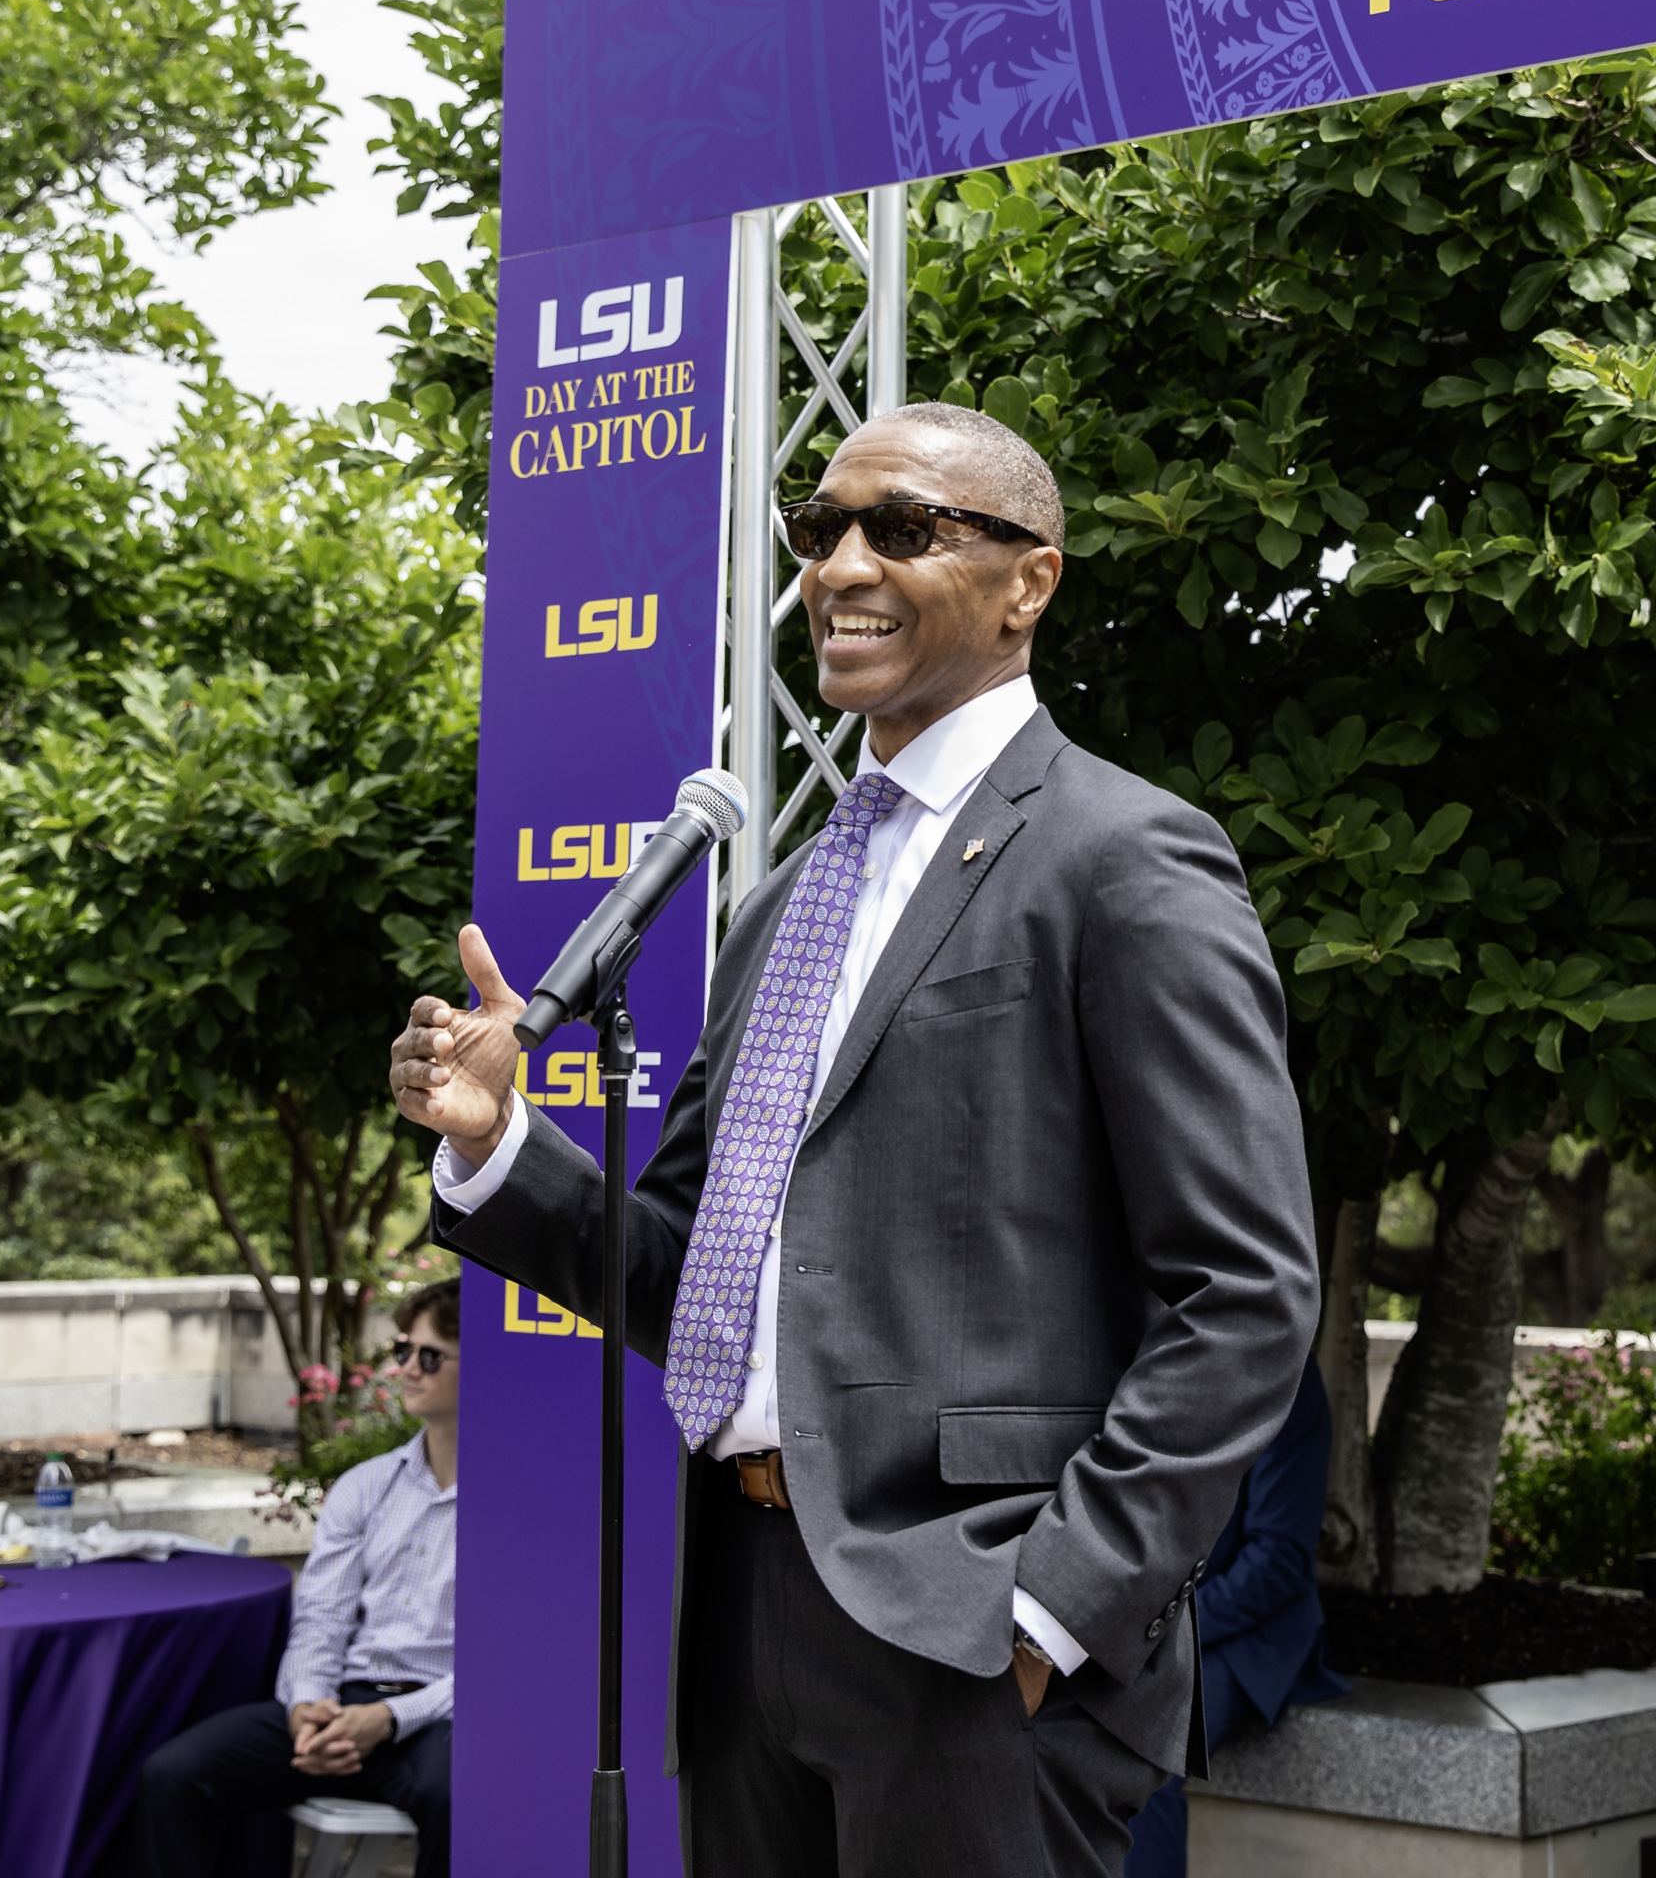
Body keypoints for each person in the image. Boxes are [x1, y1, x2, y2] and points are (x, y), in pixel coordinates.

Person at [390, 401, 1319, 1878]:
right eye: (818, 529)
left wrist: (1048, 1608)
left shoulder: (1124, 855)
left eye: (903, 527)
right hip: (744, 1617)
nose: (840, 567)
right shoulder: (781, 902)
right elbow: (687, 1277)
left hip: (973, 1639)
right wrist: (503, 1142)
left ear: (1031, 584)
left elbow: (1248, 1293)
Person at [126, 1278, 459, 1878]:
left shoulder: (521, 1505)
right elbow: (321, 1620)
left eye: (428, 1356)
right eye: (402, 1350)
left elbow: (507, 1664)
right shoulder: (367, 1485)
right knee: (172, 1777)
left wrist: (388, 1721)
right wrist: (307, 1706)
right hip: (345, 1704)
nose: (407, 1368)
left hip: (441, 1717)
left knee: (456, 1802)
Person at [1120, 1356, 1349, 1878]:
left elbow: (1278, 1562)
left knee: (1141, 1755)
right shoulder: (1139, 1357)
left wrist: (1154, 1627)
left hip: (1246, 1635)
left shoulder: (1288, 1377)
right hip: (1142, 1623)